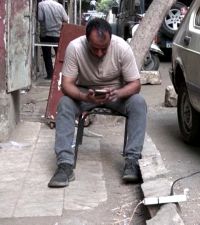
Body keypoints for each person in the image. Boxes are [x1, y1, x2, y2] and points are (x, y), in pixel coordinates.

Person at [48, 18, 147, 188]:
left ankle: (132, 161)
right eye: (95, 48)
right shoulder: (75, 47)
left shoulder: (122, 47)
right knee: (65, 103)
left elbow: (135, 84)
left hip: (116, 94)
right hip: (87, 93)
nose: (100, 53)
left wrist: (118, 93)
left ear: (110, 39)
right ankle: (65, 165)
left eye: (104, 49)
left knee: (138, 103)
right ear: (87, 40)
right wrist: (85, 97)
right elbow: (66, 85)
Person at [38, 0, 69, 79]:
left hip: (45, 34)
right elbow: (65, 19)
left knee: (47, 55)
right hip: (58, 34)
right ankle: (60, 74)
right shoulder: (60, 6)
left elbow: (40, 18)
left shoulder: (41, 4)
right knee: (59, 55)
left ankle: (50, 75)